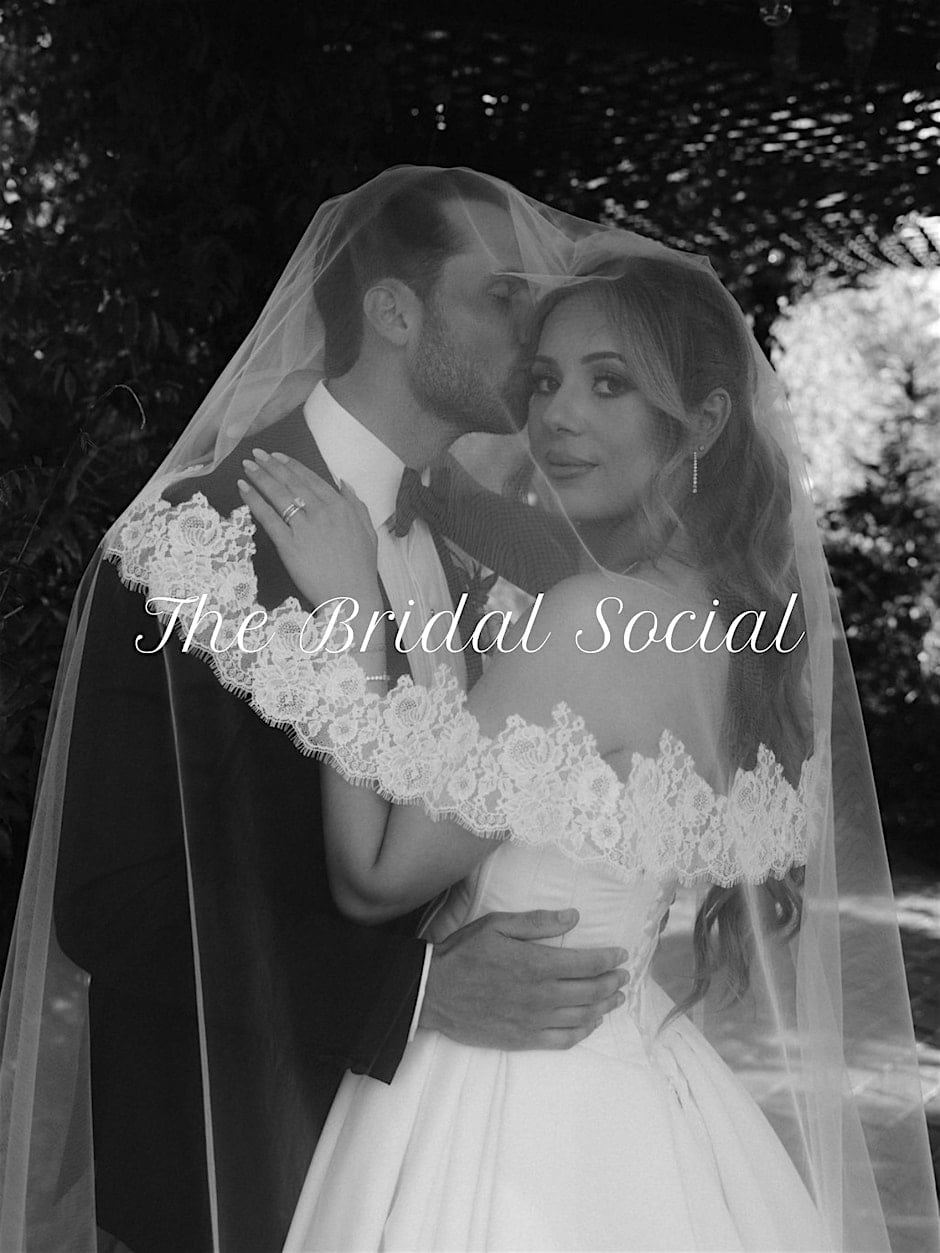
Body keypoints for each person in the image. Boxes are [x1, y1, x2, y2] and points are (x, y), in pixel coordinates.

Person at [209, 246, 936, 1248]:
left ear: (703, 423)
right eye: (544, 380)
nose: (556, 416)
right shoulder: (722, 621)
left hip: (509, 1103)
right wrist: (449, 498)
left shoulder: (594, 618)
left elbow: (376, 874)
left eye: (609, 383)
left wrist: (350, 616)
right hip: (640, 1088)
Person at [0, 168, 626, 1253]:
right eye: (504, 296)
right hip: (228, 1169)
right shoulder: (188, 547)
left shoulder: (493, 545)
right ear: (393, 311)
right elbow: (108, 902)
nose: (537, 334)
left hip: (435, 1166)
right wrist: (417, 993)